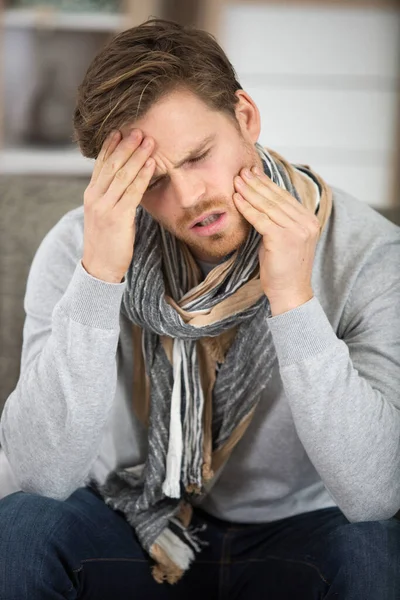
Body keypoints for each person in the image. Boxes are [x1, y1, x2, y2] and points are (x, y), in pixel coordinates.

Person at [0, 18, 399, 600]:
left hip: (296, 536)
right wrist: (98, 278)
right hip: (129, 522)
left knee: (373, 554)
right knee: (21, 532)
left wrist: (292, 299)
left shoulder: (369, 256)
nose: (188, 199)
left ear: (245, 117)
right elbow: (39, 477)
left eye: (197, 156)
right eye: (153, 180)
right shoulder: (81, 248)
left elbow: (375, 494)